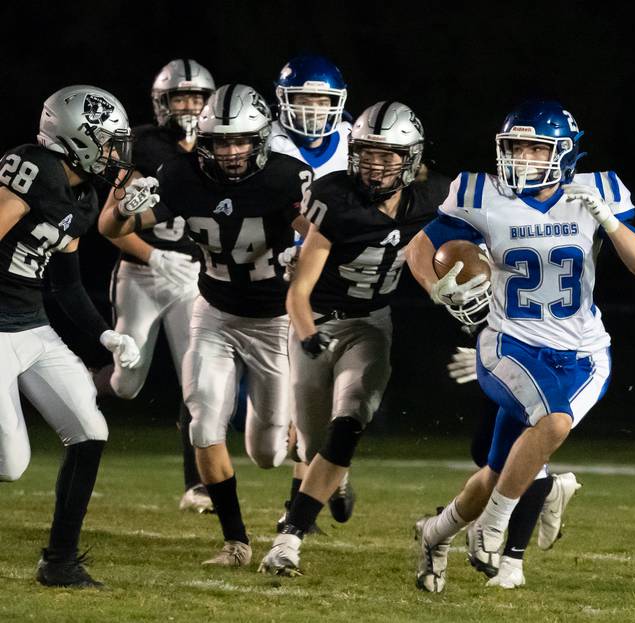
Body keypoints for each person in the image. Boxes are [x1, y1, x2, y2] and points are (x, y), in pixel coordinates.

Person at [405, 99, 635, 592]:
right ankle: (493, 528)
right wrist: (432, 286)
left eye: (534, 147)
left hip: (586, 354)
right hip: (510, 345)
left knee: (500, 470)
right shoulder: (479, 192)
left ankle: (436, 534)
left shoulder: (598, 189)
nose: (521, 156)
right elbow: (419, 247)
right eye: (514, 146)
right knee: (553, 422)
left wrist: (610, 222)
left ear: (564, 154)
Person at [98, 84, 312, 567]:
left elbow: (317, 236)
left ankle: (291, 450)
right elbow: (113, 229)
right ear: (206, 140)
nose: (231, 152)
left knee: (267, 454)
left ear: (260, 139)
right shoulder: (182, 175)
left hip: (273, 322)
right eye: (221, 141)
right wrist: (121, 205)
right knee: (204, 419)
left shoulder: (288, 177)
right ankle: (235, 542)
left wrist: (306, 259)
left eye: (241, 141)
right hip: (213, 312)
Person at [261, 101, 450, 576]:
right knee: (310, 444)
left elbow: (464, 233)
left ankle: (289, 539)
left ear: (411, 157)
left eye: (389, 155)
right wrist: (307, 337)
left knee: (350, 420)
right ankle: (334, 478)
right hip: (319, 322)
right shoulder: (335, 196)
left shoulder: (433, 199)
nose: (376, 164)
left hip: (370, 324)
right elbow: (298, 292)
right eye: (368, 152)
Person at [0, 85, 141, 587]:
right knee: (11, 465)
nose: (115, 153)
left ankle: (58, 562)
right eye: (107, 142)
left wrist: (106, 336)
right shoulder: (32, 167)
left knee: (90, 430)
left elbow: (65, 283)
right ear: (77, 137)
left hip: (32, 326)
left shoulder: (84, 194)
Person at [96, 59, 216, 513]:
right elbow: (109, 223)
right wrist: (154, 255)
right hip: (141, 273)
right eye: (179, 97)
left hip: (192, 277)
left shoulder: (220, 146)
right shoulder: (142, 145)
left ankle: (198, 486)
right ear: (161, 103)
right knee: (127, 382)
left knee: (197, 380)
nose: (187, 106)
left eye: (196, 98)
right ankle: (77, 386)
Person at [268, 54, 354, 529]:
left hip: (337, 276)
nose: (314, 109)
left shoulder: (354, 142)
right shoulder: (267, 141)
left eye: (322, 100)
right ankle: (326, 480)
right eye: (303, 98)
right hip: (277, 276)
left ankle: (302, 500)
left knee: (316, 393)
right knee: (295, 400)